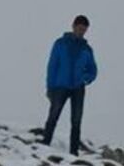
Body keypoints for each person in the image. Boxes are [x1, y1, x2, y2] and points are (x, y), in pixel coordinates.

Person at [41, 15, 98, 156]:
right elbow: (52, 66)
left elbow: (93, 70)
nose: (81, 32)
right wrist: (50, 87)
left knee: (76, 120)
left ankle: (73, 152)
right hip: (60, 86)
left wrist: (85, 79)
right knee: (53, 115)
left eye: (84, 30)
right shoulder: (60, 43)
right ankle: (45, 144)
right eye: (79, 28)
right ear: (73, 26)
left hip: (78, 88)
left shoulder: (87, 49)